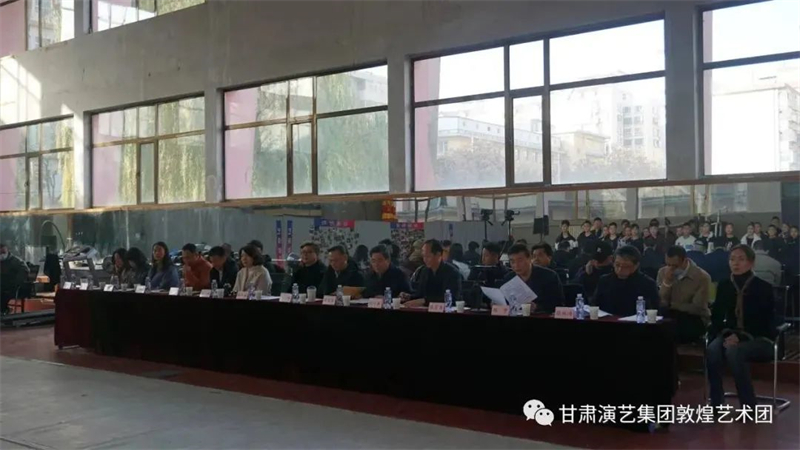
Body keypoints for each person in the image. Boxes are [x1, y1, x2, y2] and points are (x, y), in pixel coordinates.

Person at [707, 245, 775, 408]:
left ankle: (748, 405)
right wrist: (725, 334)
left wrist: (741, 337)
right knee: (713, 349)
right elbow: (717, 317)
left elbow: (766, 322)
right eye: (732, 259)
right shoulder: (724, 285)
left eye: (741, 259)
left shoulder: (763, 287)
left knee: (735, 351)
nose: (735, 263)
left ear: (751, 263)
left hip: (759, 338)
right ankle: (716, 401)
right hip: (730, 334)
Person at [657, 246, 712, 344]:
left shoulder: (702, 277)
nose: (671, 269)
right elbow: (660, 300)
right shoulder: (663, 272)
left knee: (672, 330)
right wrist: (667, 282)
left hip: (694, 318)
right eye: (668, 264)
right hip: (669, 315)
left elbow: (697, 307)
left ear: (685, 261)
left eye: (675, 266)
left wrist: (672, 305)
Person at [593, 246, 659, 317]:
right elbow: (594, 305)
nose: (620, 269)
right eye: (617, 265)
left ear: (636, 265)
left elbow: (655, 311)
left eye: (626, 266)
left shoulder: (647, 284)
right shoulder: (604, 281)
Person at [501, 243, 564, 314]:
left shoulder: (549, 276)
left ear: (529, 258)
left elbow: (558, 304)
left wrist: (537, 307)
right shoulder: (508, 278)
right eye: (512, 262)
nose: (516, 265)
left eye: (520, 260)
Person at [401, 239, 462, 307]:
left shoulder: (452, 272)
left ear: (438, 254)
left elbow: (451, 298)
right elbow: (421, 295)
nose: (425, 259)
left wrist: (425, 301)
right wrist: (409, 297)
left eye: (428, 256)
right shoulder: (424, 271)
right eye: (423, 256)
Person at [0, 244, 29, 315]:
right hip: (3, 284)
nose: (1, 255)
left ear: (7, 251)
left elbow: (25, 270)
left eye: (3, 252)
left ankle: (3, 310)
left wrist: (16, 281)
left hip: (13, 286)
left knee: (3, 294)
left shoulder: (15, 261)